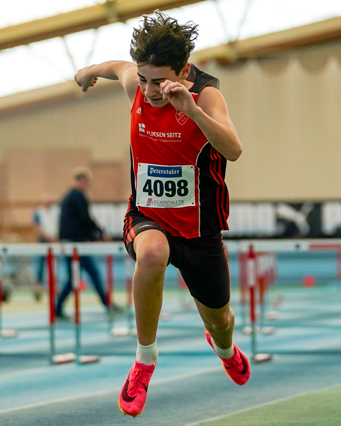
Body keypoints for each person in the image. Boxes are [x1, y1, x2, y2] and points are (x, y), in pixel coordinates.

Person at [74, 10, 250, 417]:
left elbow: (234, 150)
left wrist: (191, 111)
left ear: (184, 69)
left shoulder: (206, 95)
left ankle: (223, 348)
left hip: (199, 229)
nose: (150, 90)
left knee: (221, 320)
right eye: (145, 79)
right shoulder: (137, 83)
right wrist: (86, 72)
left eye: (159, 80)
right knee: (152, 254)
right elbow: (115, 67)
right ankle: (144, 361)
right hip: (147, 217)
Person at [56, 167, 112, 319]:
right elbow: (85, 219)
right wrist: (99, 234)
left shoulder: (69, 197)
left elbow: (81, 220)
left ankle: (58, 308)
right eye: (88, 182)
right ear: (83, 181)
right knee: (90, 274)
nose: (89, 186)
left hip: (73, 242)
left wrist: (95, 234)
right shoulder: (77, 196)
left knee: (77, 277)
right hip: (75, 244)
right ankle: (107, 305)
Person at [32, 193, 60, 299]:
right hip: (43, 241)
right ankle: (38, 288)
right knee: (40, 265)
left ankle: (54, 287)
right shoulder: (38, 212)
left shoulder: (57, 211)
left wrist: (55, 238)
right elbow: (37, 227)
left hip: (55, 240)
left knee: (54, 265)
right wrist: (48, 238)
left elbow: (60, 225)